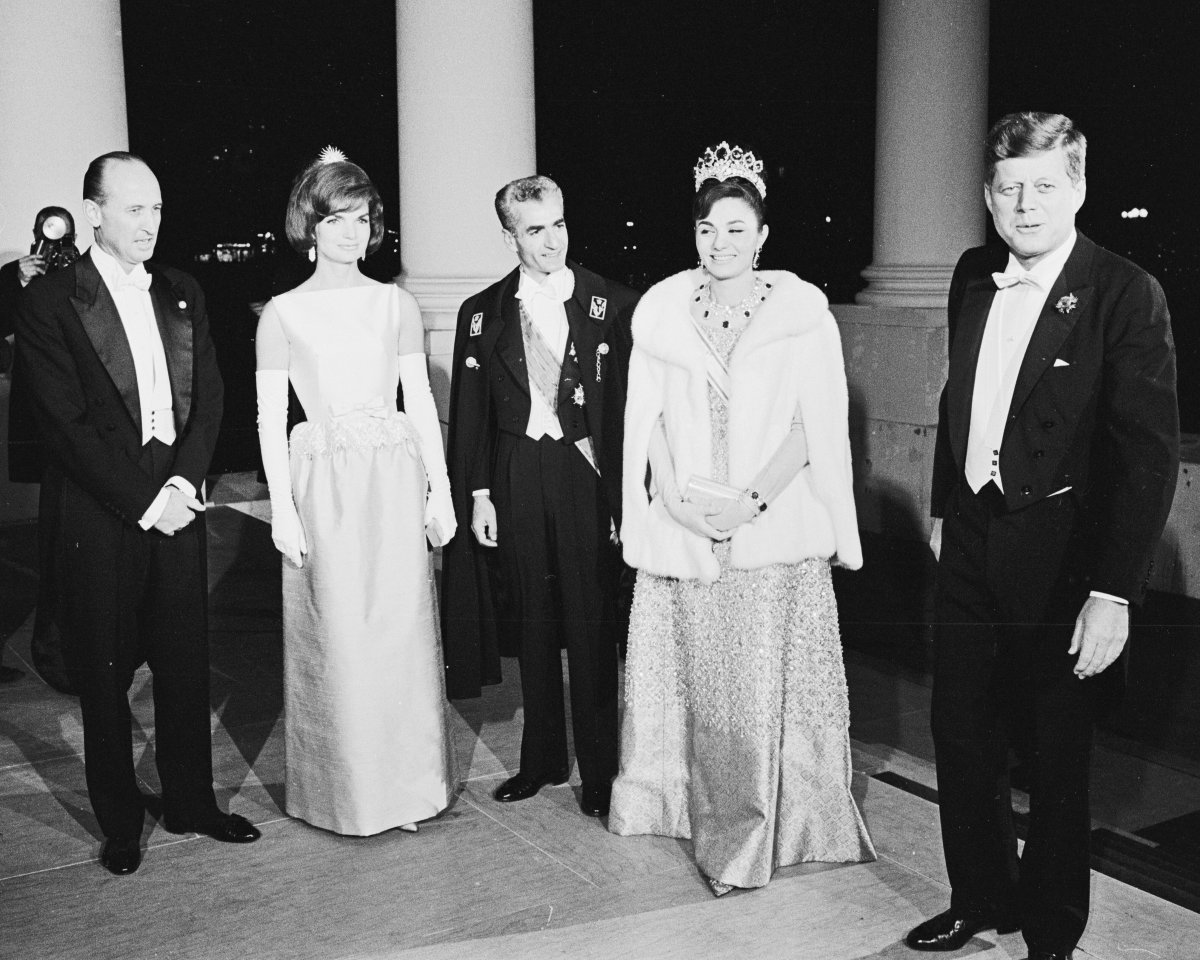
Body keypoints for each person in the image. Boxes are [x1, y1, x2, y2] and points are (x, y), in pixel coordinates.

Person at [907, 113, 1179, 960]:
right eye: (1009, 188)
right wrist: (952, 513)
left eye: (1044, 186)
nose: (1025, 205)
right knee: (959, 732)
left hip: (1065, 558)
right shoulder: (969, 274)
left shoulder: (1124, 291)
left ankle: (1053, 932)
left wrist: (1112, 593)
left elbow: (1147, 456)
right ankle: (980, 898)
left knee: (1056, 755)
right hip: (974, 540)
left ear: (1079, 189)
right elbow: (964, 400)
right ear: (989, 196)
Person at [609, 142, 875, 896]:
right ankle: (677, 805)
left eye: (734, 229)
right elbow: (646, 420)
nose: (718, 243)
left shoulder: (801, 314)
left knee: (758, 684)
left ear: (761, 233)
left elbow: (813, 425)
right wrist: (679, 501)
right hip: (687, 525)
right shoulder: (661, 311)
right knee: (697, 681)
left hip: (771, 522)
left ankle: (766, 828)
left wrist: (751, 503)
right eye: (706, 229)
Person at [14, 151, 259, 875]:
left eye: (156, 208)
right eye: (133, 209)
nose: (150, 223)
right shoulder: (50, 301)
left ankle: (191, 804)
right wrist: (146, 501)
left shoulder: (182, 290)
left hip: (177, 507)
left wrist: (184, 486)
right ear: (94, 212)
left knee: (185, 665)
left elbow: (210, 399)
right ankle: (120, 823)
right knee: (105, 673)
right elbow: (65, 426)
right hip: (101, 514)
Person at [255, 147, 458, 836]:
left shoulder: (393, 303)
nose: (349, 231)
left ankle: (409, 791)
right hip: (325, 486)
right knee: (338, 638)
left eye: (361, 217)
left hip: (393, 478)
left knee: (399, 636)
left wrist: (441, 491)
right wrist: (281, 509)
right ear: (310, 224)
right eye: (335, 218)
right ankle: (348, 794)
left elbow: (422, 402)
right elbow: (269, 417)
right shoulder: (280, 313)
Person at [441, 175, 637, 818]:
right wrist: (477, 494)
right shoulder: (483, 312)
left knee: (589, 621)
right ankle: (543, 760)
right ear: (509, 237)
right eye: (533, 230)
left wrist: (624, 500)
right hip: (515, 470)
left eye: (557, 224)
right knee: (532, 618)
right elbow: (469, 413)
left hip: (583, 471)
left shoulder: (611, 302)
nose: (550, 240)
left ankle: (602, 771)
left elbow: (630, 411)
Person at [1, 206, 81, 690]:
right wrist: (16, 283)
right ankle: (57, 655)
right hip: (49, 428)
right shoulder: (18, 281)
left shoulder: (84, 276)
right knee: (56, 539)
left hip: (82, 424)